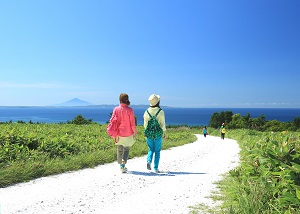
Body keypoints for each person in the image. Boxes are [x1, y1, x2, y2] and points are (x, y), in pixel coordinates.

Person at [110, 93, 137, 173]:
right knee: (126, 149)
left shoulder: (115, 109)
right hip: (128, 133)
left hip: (118, 133)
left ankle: (120, 166)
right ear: (127, 99)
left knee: (119, 149)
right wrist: (134, 132)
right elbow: (132, 123)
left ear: (120, 99)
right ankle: (123, 165)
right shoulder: (130, 110)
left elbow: (112, 121)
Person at [143, 94, 167, 173]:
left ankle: (148, 161)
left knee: (150, 149)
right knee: (157, 151)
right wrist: (164, 132)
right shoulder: (160, 111)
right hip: (158, 133)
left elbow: (145, 124)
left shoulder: (146, 111)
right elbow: (162, 124)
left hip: (149, 133)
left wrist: (146, 132)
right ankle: (156, 168)